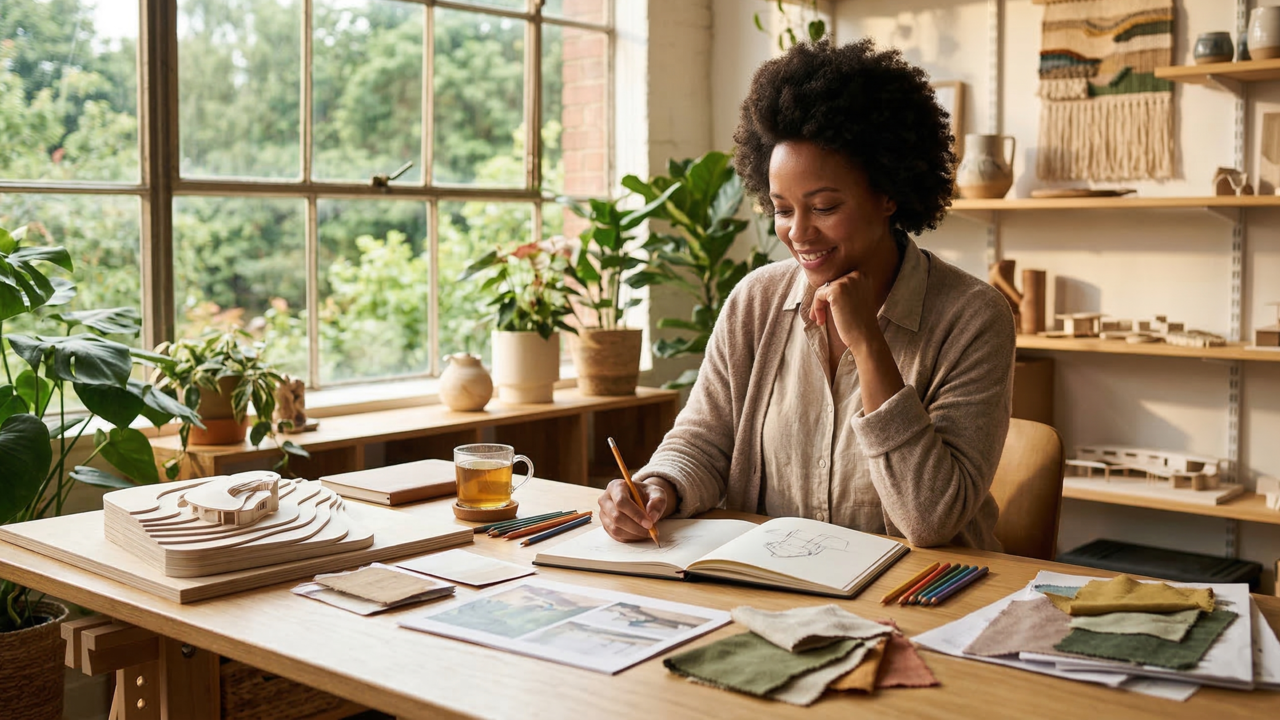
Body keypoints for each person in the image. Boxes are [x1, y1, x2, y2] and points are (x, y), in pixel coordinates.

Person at [597, 39, 1016, 551]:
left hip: (922, 599)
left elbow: (930, 519)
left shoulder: (973, 317)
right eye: (782, 208)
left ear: (888, 193)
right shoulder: (756, 301)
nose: (798, 233)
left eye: (822, 207)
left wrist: (868, 343)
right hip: (777, 589)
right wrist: (657, 487)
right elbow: (704, 441)